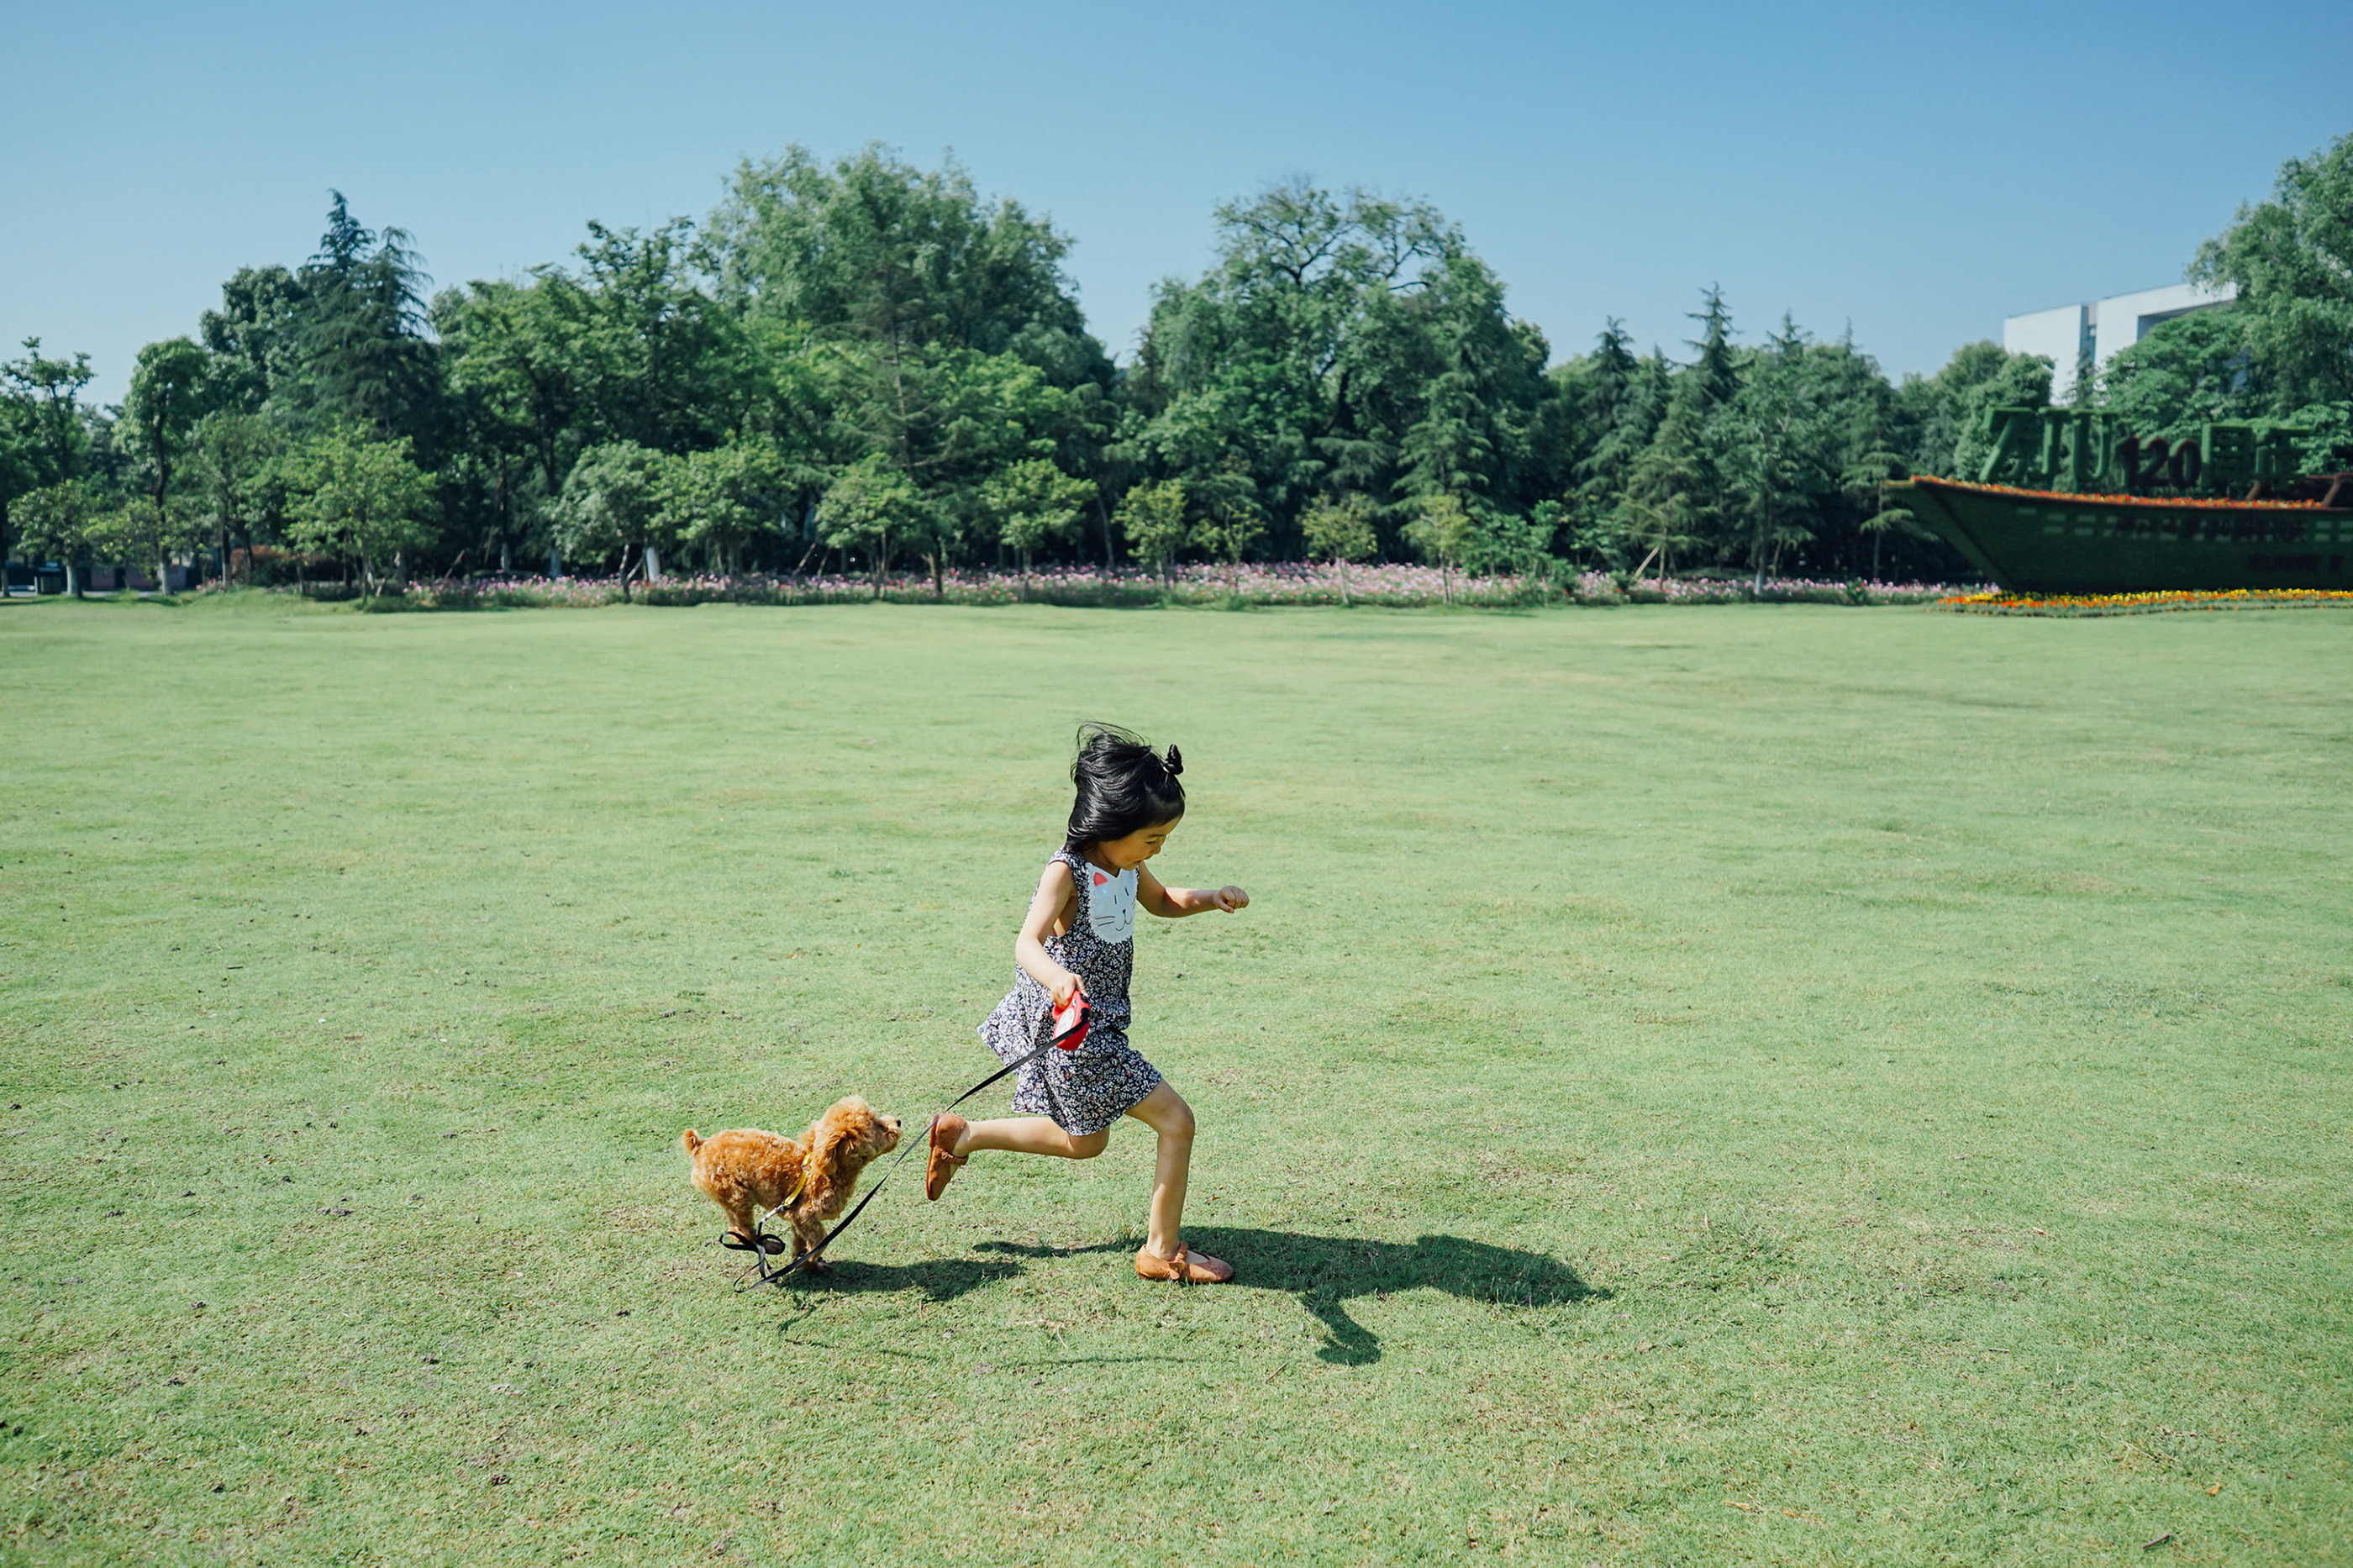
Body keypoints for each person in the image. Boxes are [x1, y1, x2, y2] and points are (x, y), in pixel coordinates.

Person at [926, 723, 1250, 1283]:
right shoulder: (1067, 869)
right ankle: (1160, 1250)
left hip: (1098, 1023)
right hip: (1076, 1026)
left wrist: (1209, 898)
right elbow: (1026, 941)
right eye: (1152, 840)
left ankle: (964, 1136)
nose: (1157, 850)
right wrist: (1056, 979)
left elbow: (1164, 902)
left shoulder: (1126, 863)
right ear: (1111, 825)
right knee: (1177, 1121)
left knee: (1085, 1142)